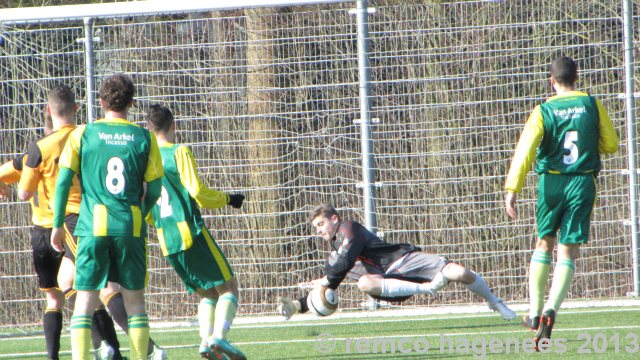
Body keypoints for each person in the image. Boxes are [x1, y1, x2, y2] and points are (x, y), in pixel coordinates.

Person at [0, 88, 125, 360]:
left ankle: (56, 356)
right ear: (77, 108)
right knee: (88, 290)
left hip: (42, 233)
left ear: (47, 111)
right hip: (77, 222)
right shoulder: (86, 136)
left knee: (57, 296)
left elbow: (19, 185)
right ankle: (111, 349)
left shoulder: (36, 151)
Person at [504, 56, 619, 349]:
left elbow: (526, 149)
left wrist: (512, 188)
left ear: (551, 81)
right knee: (568, 250)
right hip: (582, 182)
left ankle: (533, 312)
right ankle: (552, 308)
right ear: (576, 79)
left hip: (551, 182)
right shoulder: (592, 105)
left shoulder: (543, 110)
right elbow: (612, 145)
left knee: (544, 242)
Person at [51, 74, 164, 360]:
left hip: (92, 227)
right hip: (129, 225)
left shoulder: (83, 133)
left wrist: (57, 225)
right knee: (135, 302)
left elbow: (63, 182)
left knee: (85, 300)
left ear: (101, 102)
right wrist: (142, 212)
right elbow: (157, 187)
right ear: (131, 103)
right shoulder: (144, 137)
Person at [278, 204, 516, 321]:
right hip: (390, 284)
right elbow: (334, 280)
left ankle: (495, 301)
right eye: (315, 228)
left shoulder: (349, 229)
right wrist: (299, 305)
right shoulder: (336, 253)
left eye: (320, 225)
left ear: (334, 218)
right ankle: (428, 288)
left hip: (403, 260)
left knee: (459, 271)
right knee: (363, 283)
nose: (318, 230)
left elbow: (339, 268)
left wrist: (327, 279)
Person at [145, 104, 246, 360]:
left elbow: (145, 204)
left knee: (206, 293)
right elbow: (198, 193)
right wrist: (228, 199)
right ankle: (220, 338)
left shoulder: (145, 159)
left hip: (166, 240)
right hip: (190, 233)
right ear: (173, 126)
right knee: (229, 287)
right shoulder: (179, 151)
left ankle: (205, 343)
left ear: (149, 128)